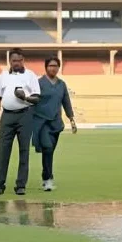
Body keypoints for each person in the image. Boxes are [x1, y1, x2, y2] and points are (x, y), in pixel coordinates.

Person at [0, 49, 40, 196]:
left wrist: (24, 97)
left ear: (23, 60)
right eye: (14, 60)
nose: (16, 63)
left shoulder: (30, 75)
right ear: (9, 61)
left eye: (19, 60)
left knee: (24, 151)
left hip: (25, 115)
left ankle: (21, 185)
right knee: (3, 151)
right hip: (7, 117)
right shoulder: (3, 76)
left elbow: (37, 98)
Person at [31, 57, 77, 191]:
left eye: (56, 66)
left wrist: (71, 119)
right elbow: (32, 100)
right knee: (48, 148)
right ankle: (48, 179)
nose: (53, 68)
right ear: (46, 67)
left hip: (56, 123)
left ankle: (46, 177)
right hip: (42, 121)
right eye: (51, 65)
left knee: (49, 152)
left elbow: (66, 102)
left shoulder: (62, 84)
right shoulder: (38, 83)